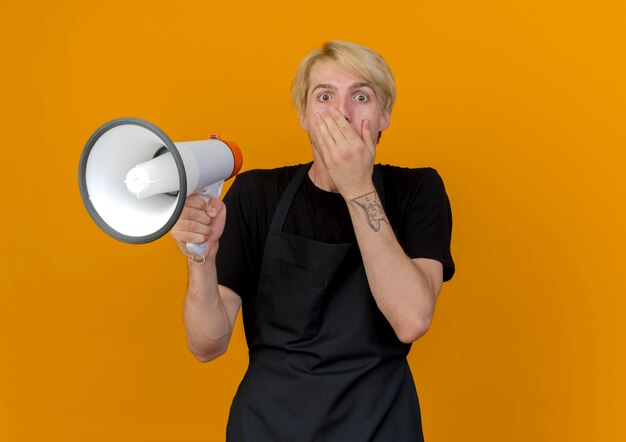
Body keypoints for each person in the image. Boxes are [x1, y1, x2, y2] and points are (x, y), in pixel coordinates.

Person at [171, 40, 455, 441]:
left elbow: (410, 319)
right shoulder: (257, 194)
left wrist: (357, 186)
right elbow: (206, 344)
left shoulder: (416, 190)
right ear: (304, 116)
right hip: (267, 428)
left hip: (380, 426)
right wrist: (201, 257)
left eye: (361, 95)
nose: (341, 112)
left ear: (383, 116)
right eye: (324, 96)